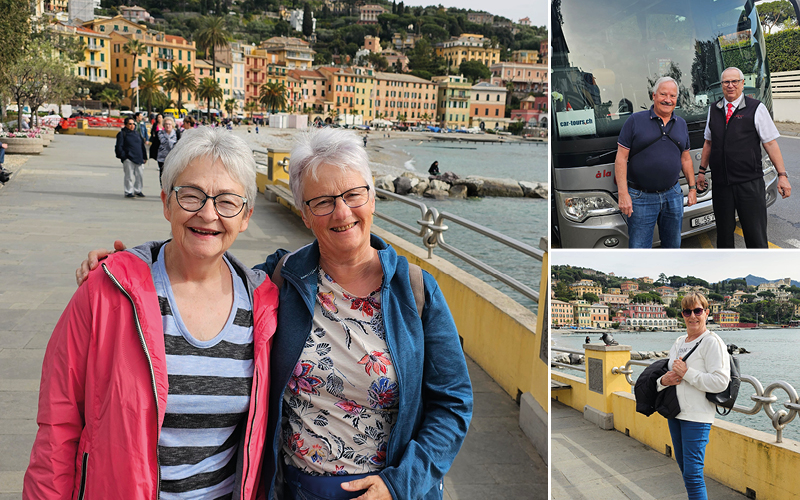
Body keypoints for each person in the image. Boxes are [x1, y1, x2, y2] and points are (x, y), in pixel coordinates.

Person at [76, 128, 473, 500]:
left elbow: (453, 402)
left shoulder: (416, 291)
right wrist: (131, 266)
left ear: (372, 198)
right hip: (296, 490)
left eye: (354, 195)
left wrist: (401, 483)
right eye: (322, 201)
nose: (342, 213)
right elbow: (206, 252)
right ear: (304, 213)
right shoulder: (282, 281)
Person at [24, 127, 279, 499]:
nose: (208, 214)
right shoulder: (107, 293)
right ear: (166, 203)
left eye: (227, 201)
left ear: (246, 216)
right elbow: (57, 426)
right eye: (191, 195)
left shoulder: (264, 305)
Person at [698, 66, 792, 248]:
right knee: (724, 237)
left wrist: (782, 175)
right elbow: (708, 143)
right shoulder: (714, 109)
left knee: (755, 236)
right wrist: (701, 172)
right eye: (726, 82)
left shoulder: (756, 108)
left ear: (742, 84)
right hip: (721, 185)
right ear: (721, 85)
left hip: (749, 184)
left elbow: (770, 143)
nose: (730, 85)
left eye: (735, 81)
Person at [658, 292, 730, 499]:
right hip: (675, 412)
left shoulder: (712, 342)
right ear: (682, 314)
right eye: (687, 311)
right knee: (684, 469)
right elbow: (666, 373)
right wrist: (663, 381)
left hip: (697, 417)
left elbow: (720, 381)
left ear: (706, 313)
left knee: (693, 474)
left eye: (697, 311)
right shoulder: (680, 341)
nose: (692, 316)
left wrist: (686, 373)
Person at [615, 76, 697, 248]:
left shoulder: (681, 124)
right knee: (639, 248)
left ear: (677, 99)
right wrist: (623, 194)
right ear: (654, 96)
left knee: (673, 247)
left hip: (673, 195)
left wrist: (692, 188)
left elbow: (686, 158)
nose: (668, 100)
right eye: (663, 94)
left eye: (672, 96)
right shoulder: (635, 121)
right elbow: (621, 158)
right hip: (641, 197)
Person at [114, 117, 147, 198]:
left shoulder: (137, 133)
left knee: (139, 175)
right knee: (129, 176)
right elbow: (119, 147)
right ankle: (128, 191)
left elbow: (142, 146)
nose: (132, 125)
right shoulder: (122, 134)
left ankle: (138, 190)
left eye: (133, 124)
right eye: (130, 124)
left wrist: (144, 156)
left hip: (139, 158)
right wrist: (124, 157)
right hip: (128, 158)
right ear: (126, 125)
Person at [156, 116, 181, 187]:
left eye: (169, 124)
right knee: (163, 174)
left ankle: (170, 188)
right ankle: (163, 188)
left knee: (172, 174)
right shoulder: (160, 133)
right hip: (162, 157)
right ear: (164, 125)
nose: (168, 126)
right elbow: (156, 145)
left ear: (172, 125)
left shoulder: (176, 133)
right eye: (166, 124)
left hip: (173, 157)